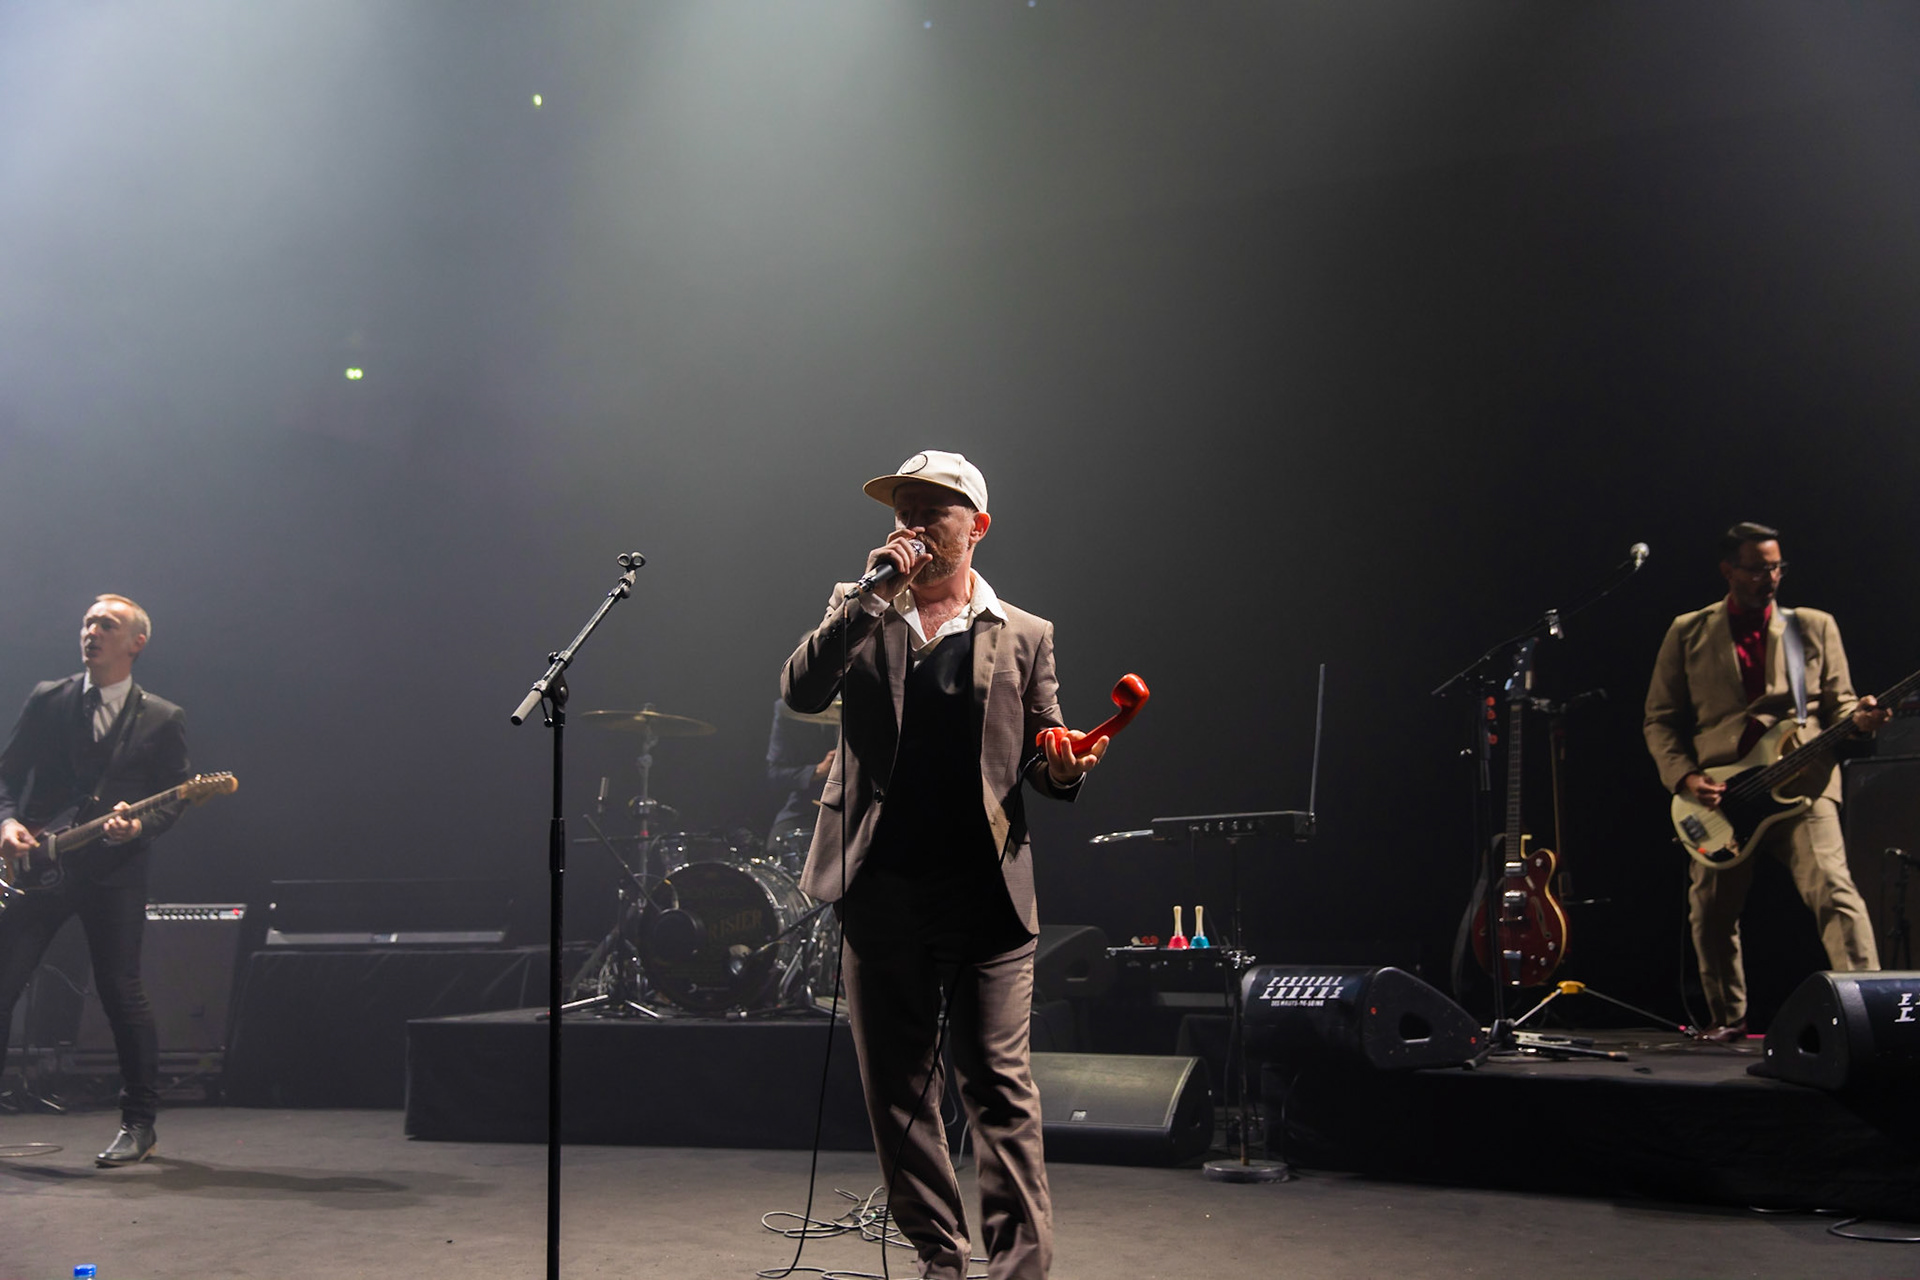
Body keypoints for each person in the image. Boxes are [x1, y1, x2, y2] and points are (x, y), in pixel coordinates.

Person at [781, 451, 1105, 1280]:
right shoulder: (861, 610)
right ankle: (939, 1257)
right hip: (880, 884)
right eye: (904, 508)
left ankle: (1018, 1270)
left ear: (978, 527)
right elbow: (800, 691)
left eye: (934, 509)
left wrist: (1061, 765)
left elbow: (1043, 749)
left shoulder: (1025, 632)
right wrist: (866, 598)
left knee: (999, 1089)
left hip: (984, 894)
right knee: (897, 1091)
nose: (914, 523)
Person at [1643, 523, 1886, 1041]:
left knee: (1836, 895)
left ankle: (1872, 1013)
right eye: (1757, 568)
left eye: (1777, 567)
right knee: (1709, 913)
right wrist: (1684, 776)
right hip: (1723, 795)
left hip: (1805, 785)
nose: (1770, 578)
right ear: (1728, 570)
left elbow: (1840, 703)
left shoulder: (1814, 626)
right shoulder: (1687, 630)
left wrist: (1858, 718)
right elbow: (1659, 719)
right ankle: (1728, 1019)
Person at [0, 594, 190, 1165]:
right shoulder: (49, 699)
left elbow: (175, 797)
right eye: (87, 622)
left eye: (107, 624)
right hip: (41, 866)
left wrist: (139, 829)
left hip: (113, 873)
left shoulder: (162, 716)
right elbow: (6, 775)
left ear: (137, 642)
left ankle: (140, 1123)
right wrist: (7, 821)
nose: (92, 632)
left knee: (121, 993)